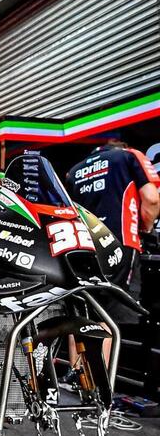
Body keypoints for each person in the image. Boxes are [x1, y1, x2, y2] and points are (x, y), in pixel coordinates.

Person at [65, 140, 160, 368]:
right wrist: (147, 229)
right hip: (118, 243)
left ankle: (77, 377)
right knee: (106, 317)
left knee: (81, 313)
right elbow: (152, 199)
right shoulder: (128, 156)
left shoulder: (75, 171)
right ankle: (100, 384)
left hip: (80, 247)